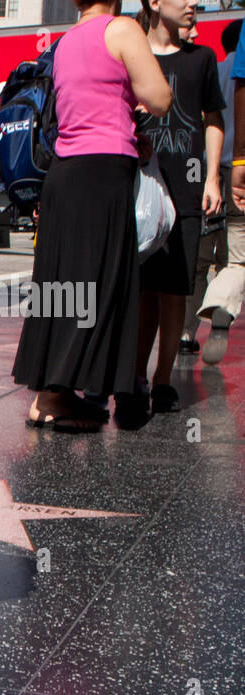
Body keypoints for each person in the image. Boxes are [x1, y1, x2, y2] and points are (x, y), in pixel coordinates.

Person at [12, 1, 170, 432]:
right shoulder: (121, 30)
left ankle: (50, 394)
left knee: (62, 283)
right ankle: (55, 395)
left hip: (63, 174)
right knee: (101, 282)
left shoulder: (66, 42)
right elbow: (159, 98)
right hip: (103, 172)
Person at [133, 0, 224, 417]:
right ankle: (133, 376)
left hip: (186, 192)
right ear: (153, 2)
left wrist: (212, 178)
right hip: (140, 191)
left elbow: (212, 118)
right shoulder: (133, 52)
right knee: (140, 293)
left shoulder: (202, 59)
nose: (194, 4)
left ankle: (162, 380)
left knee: (172, 294)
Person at [192, 16, 244, 365]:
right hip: (232, 169)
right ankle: (221, 309)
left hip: (220, 170)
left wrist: (238, 161)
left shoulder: (219, 69)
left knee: (216, 257)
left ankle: (197, 321)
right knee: (233, 253)